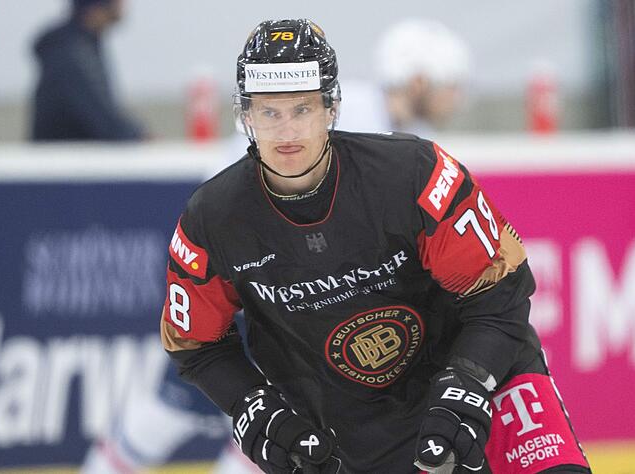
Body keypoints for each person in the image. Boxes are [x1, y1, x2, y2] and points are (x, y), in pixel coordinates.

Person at [161, 18, 590, 474]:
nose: (287, 131)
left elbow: (500, 297)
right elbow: (196, 344)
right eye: (270, 111)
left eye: (302, 108)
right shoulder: (212, 217)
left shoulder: (415, 172)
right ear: (245, 115)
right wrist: (253, 405)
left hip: (490, 382)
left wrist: (467, 381)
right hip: (358, 430)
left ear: (331, 108)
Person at [30, 0, 146, 141]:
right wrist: (141, 138)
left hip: (72, 157)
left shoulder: (81, 45)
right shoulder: (70, 53)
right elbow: (103, 120)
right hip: (63, 159)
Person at [338, 19, 471, 136]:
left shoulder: (420, 136)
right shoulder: (340, 110)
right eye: (453, 87)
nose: (458, 99)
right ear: (419, 82)